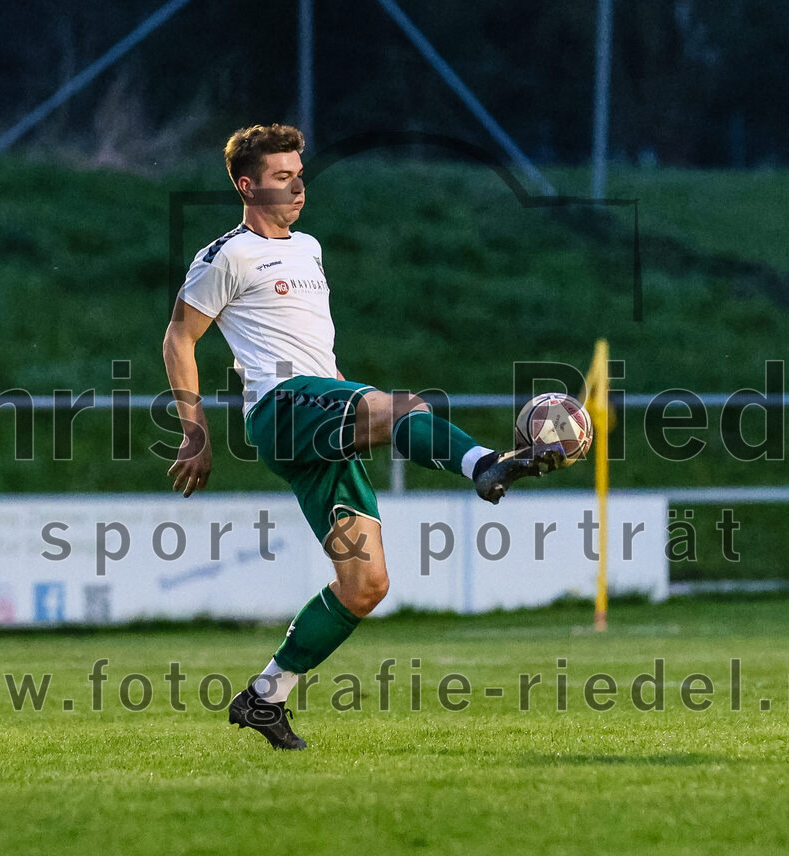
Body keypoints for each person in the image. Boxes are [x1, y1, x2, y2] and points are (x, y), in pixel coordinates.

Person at [162, 124, 566, 750]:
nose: (298, 187)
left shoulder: (309, 248)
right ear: (247, 186)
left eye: (300, 175)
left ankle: (265, 696)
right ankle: (485, 463)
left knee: (365, 585)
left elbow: (309, 344)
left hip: (321, 412)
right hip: (282, 408)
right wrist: (195, 432)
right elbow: (179, 338)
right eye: (281, 177)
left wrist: (347, 402)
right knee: (405, 407)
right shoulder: (226, 256)